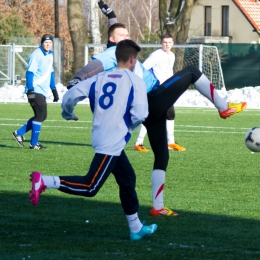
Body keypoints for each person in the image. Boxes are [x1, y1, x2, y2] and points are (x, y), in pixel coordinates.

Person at [66, 1, 247, 217]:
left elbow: (114, 29)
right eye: (121, 35)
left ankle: (158, 206)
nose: (126, 36)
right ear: (113, 40)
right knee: (191, 71)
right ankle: (223, 107)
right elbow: (88, 69)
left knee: (162, 155)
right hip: (151, 98)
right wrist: (75, 81)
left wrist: (111, 14)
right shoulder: (111, 53)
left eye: (126, 33)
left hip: (149, 106)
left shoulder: (119, 47)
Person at [29, 40, 158, 241]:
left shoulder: (99, 78)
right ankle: (44, 181)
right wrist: (129, 127)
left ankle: (135, 227)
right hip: (112, 140)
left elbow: (70, 95)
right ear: (133, 59)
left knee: (127, 179)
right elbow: (141, 113)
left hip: (101, 135)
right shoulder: (135, 80)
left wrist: (67, 113)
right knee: (91, 186)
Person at [134, 34, 185, 152]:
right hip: (157, 89)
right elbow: (143, 68)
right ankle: (139, 142)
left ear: (173, 43)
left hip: (167, 89)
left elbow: (169, 72)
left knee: (168, 114)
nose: (167, 45)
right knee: (159, 114)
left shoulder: (171, 55)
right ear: (161, 43)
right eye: (165, 42)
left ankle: (170, 142)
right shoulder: (156, 55)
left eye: (169, 42)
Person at [12, 34, 59, 150]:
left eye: (50, 43)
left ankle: (19, 133)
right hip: (35, 90)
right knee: (39, 116)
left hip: (42, 91)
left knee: (42, 116)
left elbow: (50, 73)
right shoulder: (36, 55)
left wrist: (54, 90)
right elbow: (30, 73)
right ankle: (33, 144)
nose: (48, 45)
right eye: (46, 42)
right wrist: (31, 90)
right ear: (42, 43)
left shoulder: (50, 54)